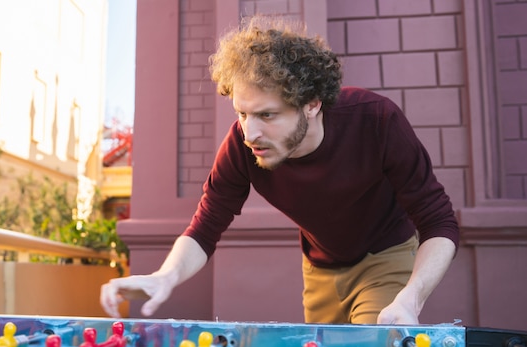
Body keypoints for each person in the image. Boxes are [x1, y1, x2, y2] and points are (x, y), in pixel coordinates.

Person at [100, 15, 459, 325]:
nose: (250, 131)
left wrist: (412, 298)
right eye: (242, 113)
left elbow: (439, 221)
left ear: (312, 105)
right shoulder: (242, 143)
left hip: (387, 256)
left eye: (267, 115)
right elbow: (205, 226)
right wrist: (165, 277)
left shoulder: (376, 120)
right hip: (319, 269)